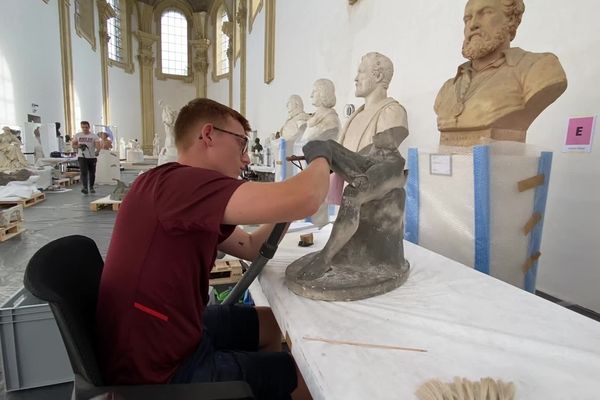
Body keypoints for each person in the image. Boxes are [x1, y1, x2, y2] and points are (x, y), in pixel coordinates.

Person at [96, 98, 331, 399]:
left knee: (271, 325)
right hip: (160, 369)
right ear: (208, 135)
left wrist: (288, 207)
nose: (246, 159)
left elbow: (249, 246)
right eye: (241, 145)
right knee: (307, 378)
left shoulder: (166, 187)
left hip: (165, 334)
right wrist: (323, 155)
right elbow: (308, 196)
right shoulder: (182, 185)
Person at [434, 0, 567, 146]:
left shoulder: (538, 68)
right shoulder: (447, 89)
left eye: (486, 13)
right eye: (468, 18)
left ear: (510, 21)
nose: (473, 25)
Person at [339, 52, 408, 152]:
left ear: (378, 76)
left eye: (361, 72)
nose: (356, 78)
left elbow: (380, 156)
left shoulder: (392, 113)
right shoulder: (354, 117)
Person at [72, 121, 101, 194]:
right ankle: (85, 187)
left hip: (92, 157)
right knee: (83, 172)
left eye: (86, 127)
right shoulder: (77, 135)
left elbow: (98, 145)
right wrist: (78, 146)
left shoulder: (94, 136)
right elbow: (73, 145)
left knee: (92, 173)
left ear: (89, 127)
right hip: (82, 156)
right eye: (83, 127)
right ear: (81, 127)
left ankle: (91, 187)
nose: (85, 129)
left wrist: (97, 151)